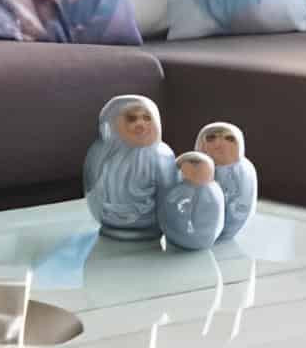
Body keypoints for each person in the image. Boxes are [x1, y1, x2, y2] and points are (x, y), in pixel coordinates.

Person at [84, 94, 175, 239]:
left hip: (152, 225)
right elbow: (97, 194)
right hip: (111, 221)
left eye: (147, 118)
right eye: (132, 119)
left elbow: (166, 194)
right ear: (113, 123)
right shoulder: (103, 156)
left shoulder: (162, 155)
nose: (141, 124)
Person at [195, 122, 258, 243]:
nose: (219, 144)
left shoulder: (245, 170)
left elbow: (245, 203)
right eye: (211, 138)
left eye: (229, 139)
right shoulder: (194, 166)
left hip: (231, 225)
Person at [159, 151, 226, 251]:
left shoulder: (214, 191)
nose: (197, 171)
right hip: (178, 238)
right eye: (194, 166)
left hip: (203, 237)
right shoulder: (178, 190)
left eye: (197, 166)